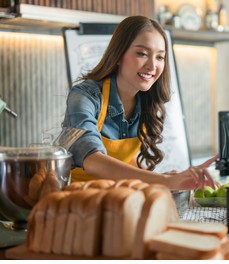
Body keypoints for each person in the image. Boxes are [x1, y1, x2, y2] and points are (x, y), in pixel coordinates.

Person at [62, 15, 217, 190]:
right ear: (118, 55)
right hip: (79, 201)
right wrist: (164, 181)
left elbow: (125, 161)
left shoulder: (146, 101)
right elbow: (91, 160)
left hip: (120, 199)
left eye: (160, 57)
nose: (152, 66)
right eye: (142, 54)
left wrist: (162, 178)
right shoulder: (84, 96)